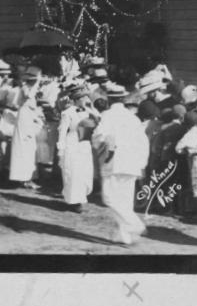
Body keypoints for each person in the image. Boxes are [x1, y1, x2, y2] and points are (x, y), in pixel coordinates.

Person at [92, 82, 150, 245]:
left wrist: (98, 143)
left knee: (109, 197)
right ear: (123, 99)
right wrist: (142, 163)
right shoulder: (133, 118)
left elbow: (99, 137)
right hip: (132, 163)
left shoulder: (107, 116)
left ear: (108, 99)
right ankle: (126, 236)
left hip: (114, 161)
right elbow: (143, 142)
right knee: (125, 200)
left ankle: (134, 225)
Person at [57, 85, 95, 211]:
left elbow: (98, 120)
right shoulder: (67, 113)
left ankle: (81, 198)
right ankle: (75, 201)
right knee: (73, 172)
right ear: (77, 99)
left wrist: (91, 109)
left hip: (85, 144)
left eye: (86, 97)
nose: (86, 100)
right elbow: (62, 132)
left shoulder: (88, 112)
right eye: (83, 98)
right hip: (72, 143)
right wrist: (60, 150)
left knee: (85, 172)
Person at [9, 67, 44, 189]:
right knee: (24, 145)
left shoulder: (31, 88)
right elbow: (28, 96)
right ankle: (24, 178)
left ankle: (28, 177)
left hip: (29, 116)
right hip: (24, 118)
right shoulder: (25, 88)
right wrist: (37, 83)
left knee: (30, 146)